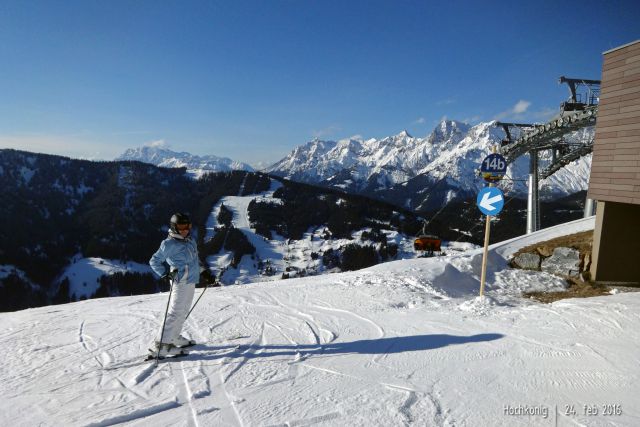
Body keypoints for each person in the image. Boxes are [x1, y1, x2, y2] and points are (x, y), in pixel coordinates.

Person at [149, 212, 216, 358]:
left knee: (183, 310)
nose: (185, 229)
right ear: (174, 227)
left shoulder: (189, 240)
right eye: (181, 226)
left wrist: (204, 273)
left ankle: (174, 337)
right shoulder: (169, 244)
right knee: (174, 312)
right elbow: (154, 261)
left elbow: (193, 262)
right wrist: (164, 273)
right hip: (180, 281)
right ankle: (162, 345)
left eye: (187, 226)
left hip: (191, 279)